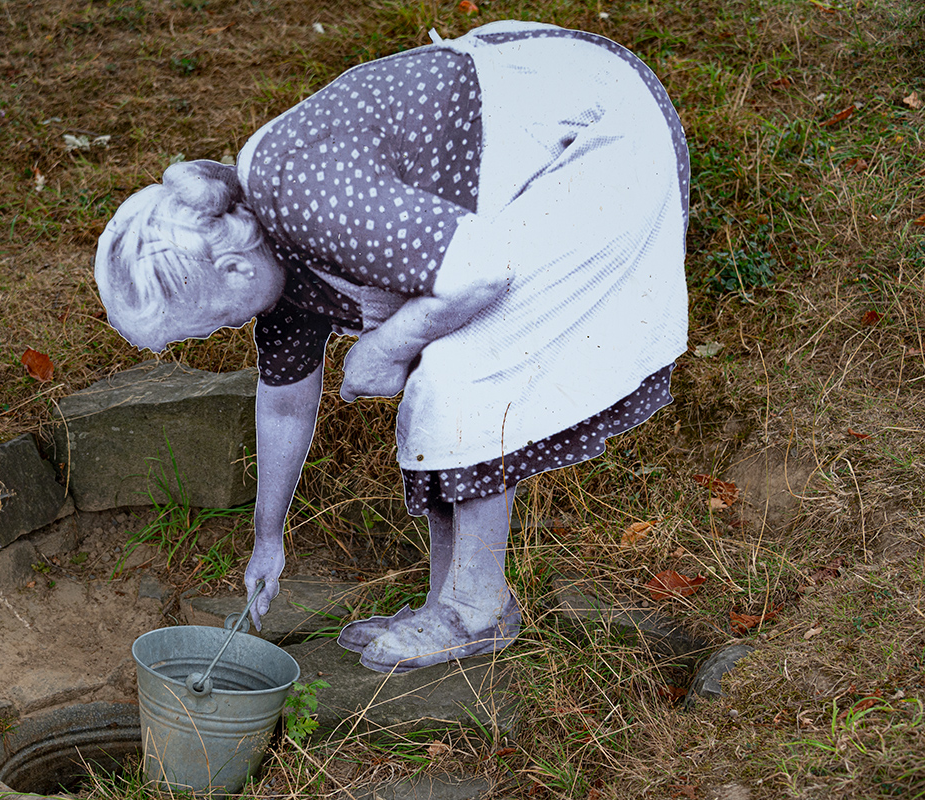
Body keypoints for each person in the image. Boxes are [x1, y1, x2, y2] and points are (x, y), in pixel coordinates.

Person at [96, 20, 689, 673]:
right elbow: (286, 407)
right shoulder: (278, 274)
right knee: (436, 378)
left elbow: (482, 270)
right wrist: (268, 540)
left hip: (596, 131)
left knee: (458, 373)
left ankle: (476, 611)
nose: (221, 334)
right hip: (528, 157)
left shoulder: (305, 192)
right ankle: (449, 600)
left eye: (206, 324)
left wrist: (388, 344)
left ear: (233, 270)